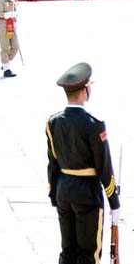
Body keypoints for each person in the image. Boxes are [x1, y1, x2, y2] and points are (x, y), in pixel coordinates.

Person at [47, 63, 121, 264]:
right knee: (88, 254)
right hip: (87, 193)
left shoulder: (53, 122)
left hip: (63, 191)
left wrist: (54, 195)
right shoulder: (93, 124)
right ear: (85, 91)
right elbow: (104, 167)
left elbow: (52, 164)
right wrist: (114, 202)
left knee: (68, 251)